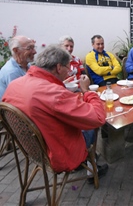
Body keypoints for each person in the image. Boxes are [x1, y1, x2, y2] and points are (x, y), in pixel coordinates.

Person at [2, 45, 108, 177]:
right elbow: (98, 118)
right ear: (58, 67)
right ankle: (92, 166)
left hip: (33, 149)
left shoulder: (15, 84)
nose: (69, 71)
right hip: (58, 153)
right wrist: (87, 91)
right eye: (68, 67)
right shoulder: (54, 93)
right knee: (91, 126)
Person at [0, 35, 37, 100]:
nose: (34, 52)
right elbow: (18, 100)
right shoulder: (11, 72)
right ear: (16, 50)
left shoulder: (27, 66)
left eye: (33, 47)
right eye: (29, 48)